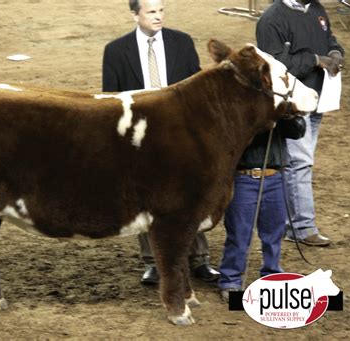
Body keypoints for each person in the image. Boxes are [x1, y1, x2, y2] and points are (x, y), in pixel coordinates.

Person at [102, 0, 219, 284]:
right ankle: (153, 262)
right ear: (134, 15)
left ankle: (199, 259)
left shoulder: (182, 42)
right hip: (142, 138)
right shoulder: (116, 51)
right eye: (151, 12)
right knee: (146, 198)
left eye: (161, 11)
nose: (158, 17)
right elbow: (111, 99)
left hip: (181, 135)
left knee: (190, 195)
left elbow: (197, 88)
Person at [256, 0, 344, 246]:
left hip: (318, 98)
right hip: (293, 103)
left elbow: (330, 39)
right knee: (300, 162)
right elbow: (274, 67)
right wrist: (315, 60)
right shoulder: (272, 19)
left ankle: (288, 223)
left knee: (298, 162)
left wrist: (336, 52)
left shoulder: (316, 9)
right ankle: (302, 226)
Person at [219, 117, 307, 302]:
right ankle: (231, 279)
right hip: (243, 177)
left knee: (274, 231)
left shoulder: (281, 110)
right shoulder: (242, 109)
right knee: (239, 232)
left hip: (275, 176)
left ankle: (272, 273)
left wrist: (281, 117)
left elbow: (298, 130)